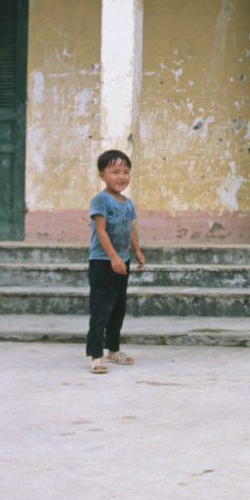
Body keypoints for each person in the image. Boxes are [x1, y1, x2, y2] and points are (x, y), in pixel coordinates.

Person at [86, 149, 145, 374]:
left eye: (126, 172)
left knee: (118, 308)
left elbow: (129, 228)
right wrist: (113, 256)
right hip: (103, 262)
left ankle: (113, 349)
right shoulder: (100, 201)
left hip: (123, 261)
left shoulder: (127, 203)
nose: (121, 176)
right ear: (102, 175)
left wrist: (137, 250)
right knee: (100, 308)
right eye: (115, 172)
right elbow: (100, 231)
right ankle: (96, 355)